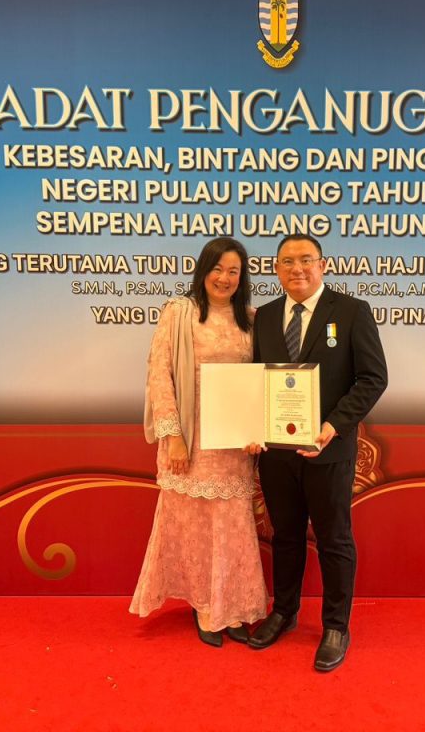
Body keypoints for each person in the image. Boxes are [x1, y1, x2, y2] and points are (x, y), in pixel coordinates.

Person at [247, 233, 388, 672]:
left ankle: (335, 626)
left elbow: (373, 378)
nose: (297, 269)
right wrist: (249, 426)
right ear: (276, 269)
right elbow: (254, 380)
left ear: (322, 265)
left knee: (334, 539)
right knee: (285, 536)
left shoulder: (351, 311)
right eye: (287, 261)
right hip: (277, 453)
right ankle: (284, 612)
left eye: (306, 259)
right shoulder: (266, 317)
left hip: (329, 450)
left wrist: (333, 425)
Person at [130, 237, 268, 647]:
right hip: (191, 440)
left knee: (231, 525)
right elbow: (160, 375)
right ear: (203, 270)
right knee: (195, 526)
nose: (224, 278)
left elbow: (260, 382)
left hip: (234, 443)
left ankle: (232, 605)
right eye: (217, 268)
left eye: (233, 271)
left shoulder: (252, 319)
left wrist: (258, 428)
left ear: (242, 277)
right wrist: (173, 437)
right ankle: (206, 606)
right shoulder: (179, 313)